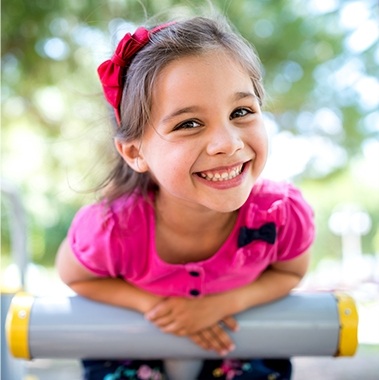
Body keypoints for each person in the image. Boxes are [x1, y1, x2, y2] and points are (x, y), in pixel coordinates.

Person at [56, 14, 315, 380]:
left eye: (241, 112)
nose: (227, 143)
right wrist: (157, 307)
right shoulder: (111, 228)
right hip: (133, 350)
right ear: (135, 153)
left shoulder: (281, 215)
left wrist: (222, 305)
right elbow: (77, 276)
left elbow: (291, 272)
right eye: (188, 123)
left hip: (235, 345)